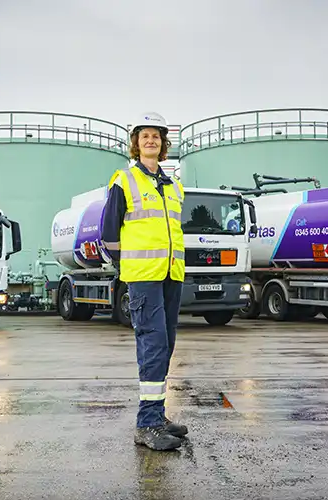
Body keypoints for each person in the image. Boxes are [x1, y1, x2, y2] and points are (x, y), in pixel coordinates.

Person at [100, 111, 187, 451]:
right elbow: (109, 233)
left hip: (171, 275)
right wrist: (127, 267)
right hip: (143, 278)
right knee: (152, 346)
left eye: (157, 135)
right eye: (144, 135)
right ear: (136, 143)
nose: (151, 140)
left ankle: (157, 413)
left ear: (164, 144)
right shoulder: (124, 180)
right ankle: (146, 423)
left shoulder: (173, 186)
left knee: (165, 346)